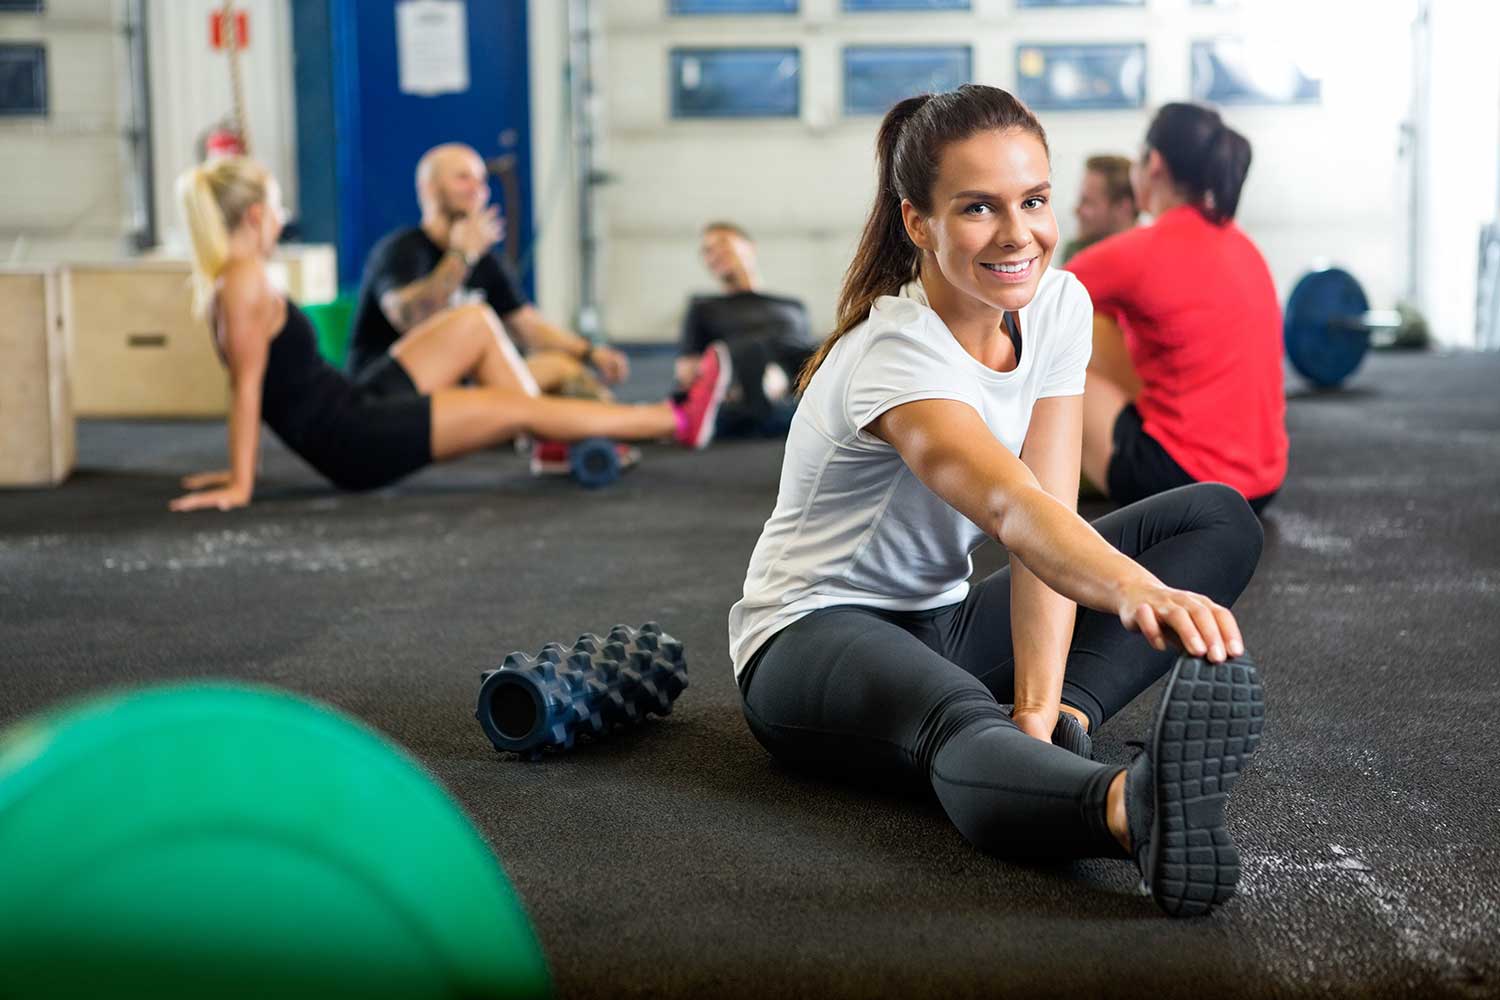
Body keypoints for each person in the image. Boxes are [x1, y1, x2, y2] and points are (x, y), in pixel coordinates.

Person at [727, 86, 1266, 917]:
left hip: (939, 619)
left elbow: (1049, 509)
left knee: (1216, 518)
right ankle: (1126, 806)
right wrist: (1133, 588)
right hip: (809, 633)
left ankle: (1062, 739)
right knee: (956, 719)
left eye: (1035, 201)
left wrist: (1041, 708)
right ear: (919, 223)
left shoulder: (1055, 305)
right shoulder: (895, 354)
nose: (1019, 234)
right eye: (978, 207)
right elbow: (1012, 508)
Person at [169, 157, 727, 512]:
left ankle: (555, 436)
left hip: (355, 403)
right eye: (279, 207)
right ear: (257, 215)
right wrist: (240, 485)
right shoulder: (243, 280)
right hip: (354, 438)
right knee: (515, 405)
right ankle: (668, 419)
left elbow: (258, 389)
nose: (284, 217)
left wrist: (240, 471)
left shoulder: (235, 280)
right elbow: (247, 387)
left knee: (475, 321)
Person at [1069, 104, 1287, 512]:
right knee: (1111, 322)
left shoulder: (1139, 250)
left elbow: (1029, 302)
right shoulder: (1243, 246)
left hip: (1180, 483)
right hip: (1262, 483)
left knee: (1053, 354)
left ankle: (1033, 504)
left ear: (1152, 164)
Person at [347, 143, 627, 401]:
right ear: (429, 188)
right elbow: (411, 319)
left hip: (455, 386)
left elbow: (526, 326)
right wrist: (461, 256)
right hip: (391, 393)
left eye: (481, 181)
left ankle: (610, 434)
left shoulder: (487, 261)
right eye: (463, 178)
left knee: (563, 368)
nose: (477, 189)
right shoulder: (401, 250)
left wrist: (590, 352)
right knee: (477, 320)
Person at [676, 222, 816, 437]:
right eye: (707, 251)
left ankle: (775, 388)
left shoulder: (793, 306)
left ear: (750, 247)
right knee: (751, 350)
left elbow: (809, 360)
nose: (714, 254)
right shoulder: (703, 308)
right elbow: (687, 372)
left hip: (793, 385)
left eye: (722, 243)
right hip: (739, 389)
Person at [1060, 154, 1138, 264]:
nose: (1076, 210)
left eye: (1088, 202)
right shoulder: (1076, 252)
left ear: (1122, 208)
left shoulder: (1149, 260)